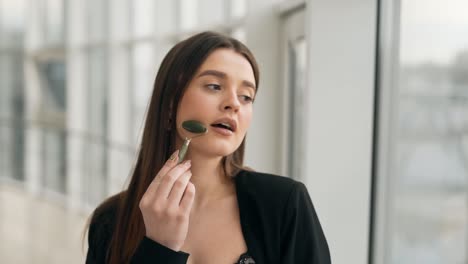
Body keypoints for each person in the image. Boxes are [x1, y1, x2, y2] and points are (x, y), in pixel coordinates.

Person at [85, 31, 330, 264]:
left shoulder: (283, 204)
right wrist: (159, 248)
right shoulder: (111, 221)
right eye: (214, 86)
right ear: (170, 104)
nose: (234, 104)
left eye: (246, 96)